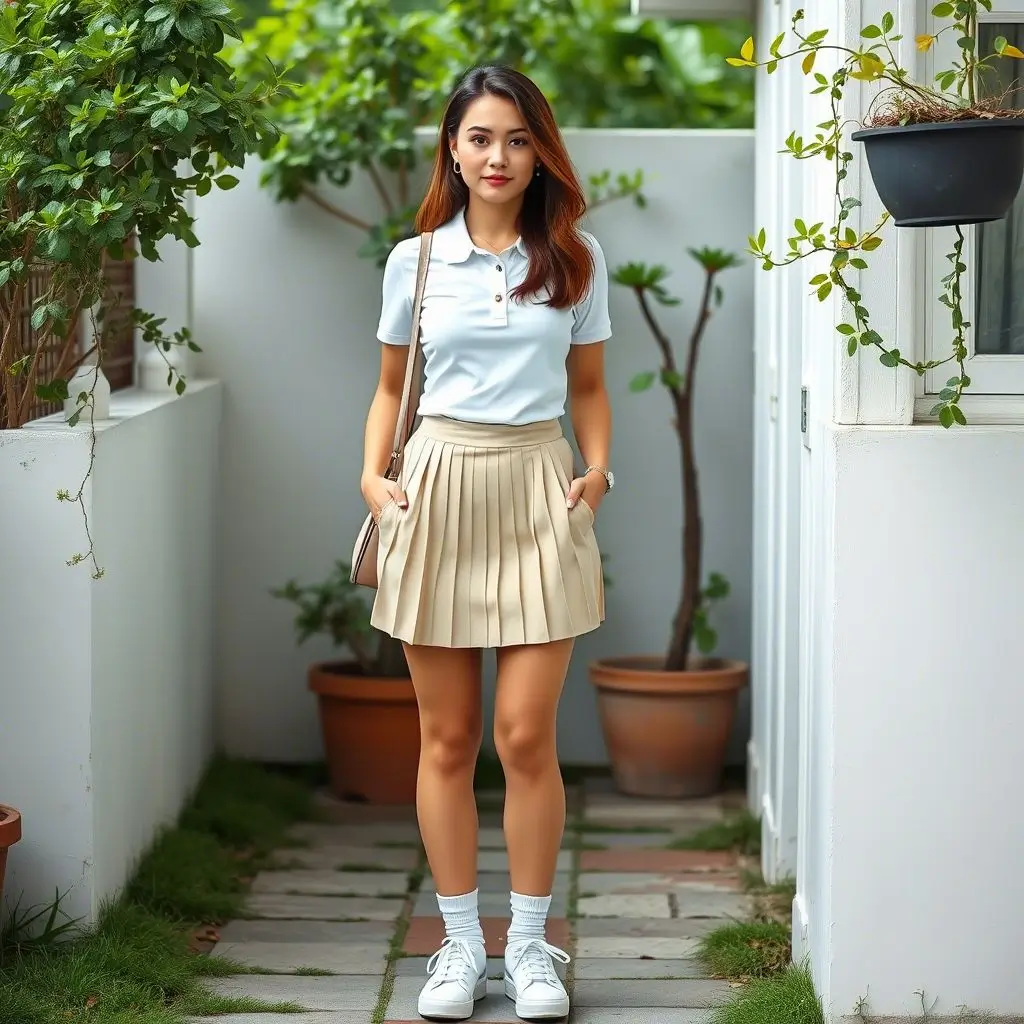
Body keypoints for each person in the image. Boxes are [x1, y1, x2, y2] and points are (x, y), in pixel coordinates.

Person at [360, 64, 614, 1022]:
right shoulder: (414, 260)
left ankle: (534, 947)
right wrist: (372, 478)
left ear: (538, 148)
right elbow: (391, 386)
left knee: (523, 735)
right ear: (453, 151)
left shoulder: (578, 260)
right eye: (479, 139)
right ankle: (460, 948)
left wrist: (595, 475)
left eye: (515, 138)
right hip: (436, 487)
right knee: (449, 736)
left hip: (541, 492)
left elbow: (589, 390)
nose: (497, 157)